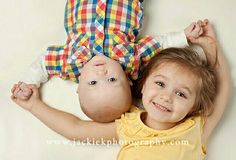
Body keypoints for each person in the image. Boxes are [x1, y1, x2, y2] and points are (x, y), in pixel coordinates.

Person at [11, 19, 232, 159]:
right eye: (160, 84)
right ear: (142, 85)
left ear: (195, 105)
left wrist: (211, 48)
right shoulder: (128, 126)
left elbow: (221, 89)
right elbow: (76, 130)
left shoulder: (195, 130)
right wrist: (34, 106)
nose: (166, 96)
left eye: (181, 94)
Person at [12, 0, 206, 123]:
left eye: (93, 83)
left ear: (79, 86)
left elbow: (43, 63)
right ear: (128, 80)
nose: (101, 74)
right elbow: (159, 43)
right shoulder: (131, 59)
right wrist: (184, 36)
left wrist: (29, 83)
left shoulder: (69, 63)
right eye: (113, 80)